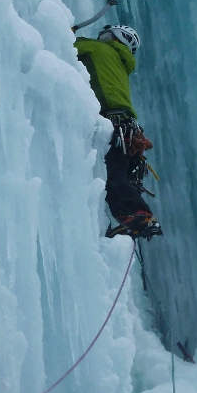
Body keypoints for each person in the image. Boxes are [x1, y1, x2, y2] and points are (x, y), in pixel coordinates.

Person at [75, 25, 162, 240]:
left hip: (117, 127)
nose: (101, 37)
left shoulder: (97, 49)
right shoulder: (121, 64)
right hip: (128, 130)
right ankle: (131, 219)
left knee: (113, 179)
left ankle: (142, 216)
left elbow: (68, 45)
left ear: (115, 39)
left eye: (106, 35)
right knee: (112, 181)